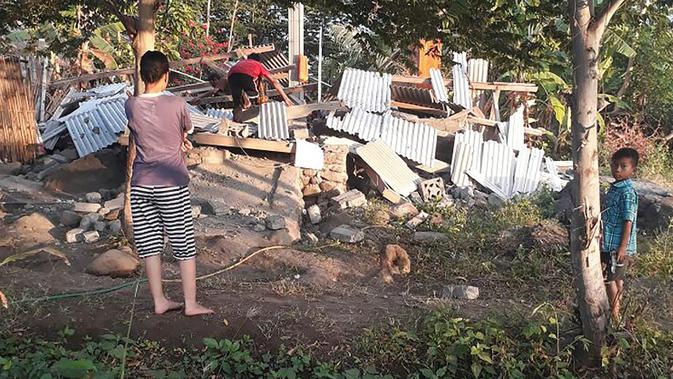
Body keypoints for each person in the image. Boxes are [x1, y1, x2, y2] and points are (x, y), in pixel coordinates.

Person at [125, 50, 213, 317]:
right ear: (166, 76)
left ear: (142, 76)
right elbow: (185, 128)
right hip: (170, 183)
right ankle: (191, 303)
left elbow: (145, 132)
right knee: (183, 243)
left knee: (149, 245)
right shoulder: (177, 103)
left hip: (141, 183)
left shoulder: (131, 104)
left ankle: (160, 301)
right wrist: (181, 140)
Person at [601, 147, 639, 321]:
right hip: (609, 243)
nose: (617, 170)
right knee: (616, 278)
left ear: (633, 169)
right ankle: (616, 311)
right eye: (615, 165)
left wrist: (622, 247)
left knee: (610, 279)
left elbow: (628, 221)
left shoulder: (627, 193)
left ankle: (615, 316)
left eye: (623, 166)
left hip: (617, 246)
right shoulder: (615, 188)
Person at [227, 53, 293, 120]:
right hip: (245, 75)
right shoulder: (258, 64)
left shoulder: (242, 62)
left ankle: (237, 118)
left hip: (231, 75)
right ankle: (245, 95)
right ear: (258, 60)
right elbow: (274, 82)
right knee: (253, 94)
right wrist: (286, 98)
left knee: (237, 103)